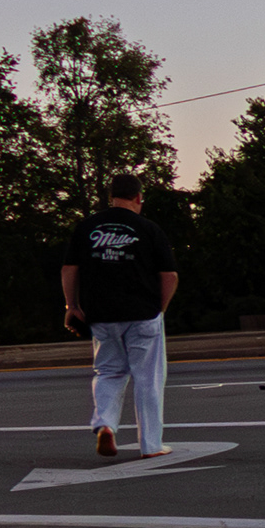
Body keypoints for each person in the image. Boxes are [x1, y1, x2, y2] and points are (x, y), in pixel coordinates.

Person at [61, 173, 179, 460]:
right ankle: (151, 445)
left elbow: (69, 269)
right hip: (142, 313)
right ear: (139, 198)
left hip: (101, 314)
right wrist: (159, 310)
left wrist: (71, 306)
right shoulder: (149, 229)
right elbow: (170, 276)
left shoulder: (87, 227)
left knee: (109, 372)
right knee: (148, 378)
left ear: (111, 196)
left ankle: (105, 425)